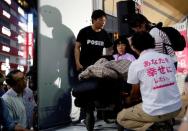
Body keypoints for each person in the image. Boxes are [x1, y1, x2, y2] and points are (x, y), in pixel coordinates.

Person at [117, 32, 182, 131]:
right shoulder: (168, 58)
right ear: (152, 43)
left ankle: (153, 126)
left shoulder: (136, 64)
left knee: (121, 117)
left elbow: (135, 93)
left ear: (134, 47)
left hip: (155, 111)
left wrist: (128, 99)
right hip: (176, 108)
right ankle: (161, 124)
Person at [74, 9, 113, 122]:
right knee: (84, 90)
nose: (104, 22)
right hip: (84, 66)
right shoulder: (84, 31)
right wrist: (77, 62)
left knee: (98, 89)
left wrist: (107, 61)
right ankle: (84, 116)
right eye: (102, 20)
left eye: (105, 20)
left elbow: (110, 47)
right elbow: (77, 47)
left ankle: (101, 115)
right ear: (95, 20)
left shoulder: (104, 33)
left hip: (98, 67)